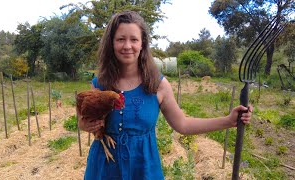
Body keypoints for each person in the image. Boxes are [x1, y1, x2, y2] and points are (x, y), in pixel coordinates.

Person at [78, 10, 252, 180]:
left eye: (134, 39)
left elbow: (183, 124)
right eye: (120, 39)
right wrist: (86, 125)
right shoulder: (99, 84)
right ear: (112, 43)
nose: (127, 46)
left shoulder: (157, 85)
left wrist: (228, 121)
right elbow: (82, 120)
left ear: (142, 44)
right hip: (103, 168)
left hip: (144, 169)